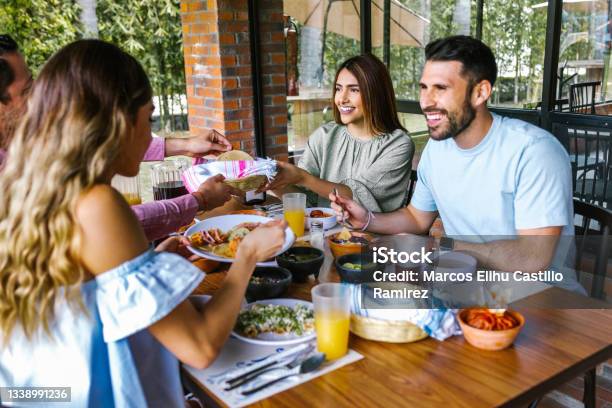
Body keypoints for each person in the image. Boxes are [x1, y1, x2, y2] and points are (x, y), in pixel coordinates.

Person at [0, 39, 287, 406]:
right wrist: (248, 254)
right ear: (119, 120)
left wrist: (150, 267)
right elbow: (199, 346)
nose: (150, 135)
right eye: (149, 118)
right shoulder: (96, 204)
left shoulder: (33, 188)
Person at [331, 36, 582, 293]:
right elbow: (416, 218)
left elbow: (533, 259)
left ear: (480, 92)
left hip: (543, 299)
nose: (426, 102)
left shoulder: (534, 152)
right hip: (467, 287)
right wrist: (367, 219)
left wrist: (442, 248)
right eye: (423, 87)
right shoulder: (438, 148)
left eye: (440, 88)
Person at [0, 34, 239, 241]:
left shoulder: (27, 151)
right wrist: (199, 200)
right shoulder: (98, 202)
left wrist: (186, 146)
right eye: (28, 89)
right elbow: (112, 227)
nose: (39, 101)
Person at [262, 53, 414, 212]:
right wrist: (273, 183)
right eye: (338, 89)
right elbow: (307, 201)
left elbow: (358, 200)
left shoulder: (398, 145)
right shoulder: (324, 136)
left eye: (354, 90)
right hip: (326, 233)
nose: (342, 98)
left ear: (376, 94)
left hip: (374, 235)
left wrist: (303, 177)